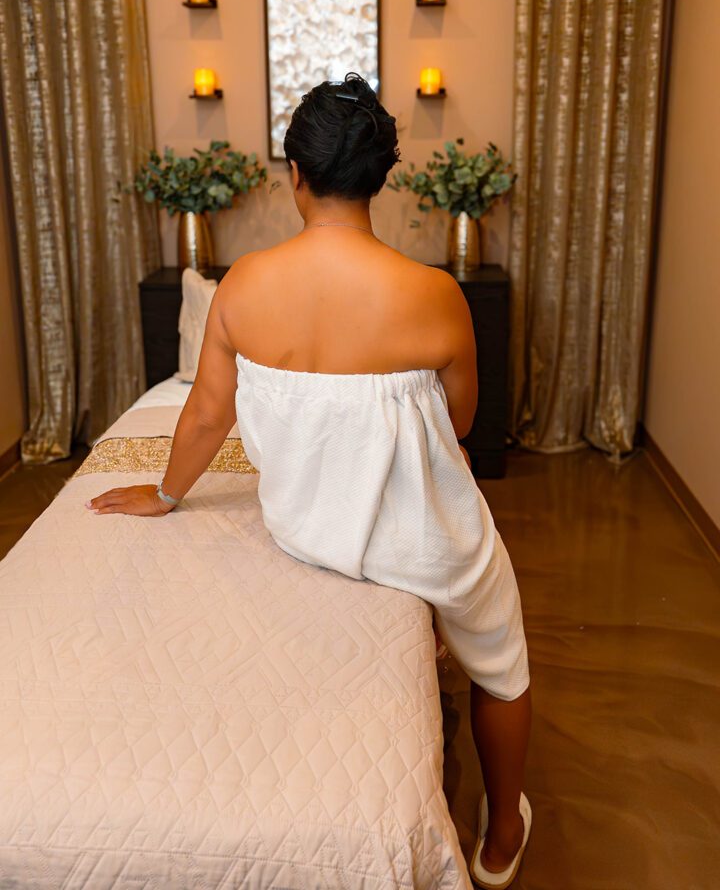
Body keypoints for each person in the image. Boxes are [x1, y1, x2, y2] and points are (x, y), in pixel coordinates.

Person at [88, 72, 532, 888]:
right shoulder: (437, 297)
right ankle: (502, 834)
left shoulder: (245, 288)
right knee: (501, 662)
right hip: (424, 544)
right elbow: (461, 426)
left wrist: (164, 494)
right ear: (381, 177)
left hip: (309, 532)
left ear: (295, 174)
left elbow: (206, 416)